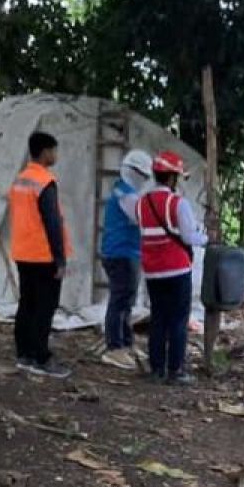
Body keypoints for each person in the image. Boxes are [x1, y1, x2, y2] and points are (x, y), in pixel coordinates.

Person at [135, 150, 208, 384]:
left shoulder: (141, 203)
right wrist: (205, 238)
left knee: (158, 319)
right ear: (171, 177)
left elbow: (143, 233)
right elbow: (188, 237)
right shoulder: (177, 203)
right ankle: (176, 370)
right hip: (177, 270)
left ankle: (156, 369)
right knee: (178, 321)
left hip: (152, 271)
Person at [8, 131, 72, 378]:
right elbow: (52, 222)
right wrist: (60, 258)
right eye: (54, 150)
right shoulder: (45, 181)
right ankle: (41, 356)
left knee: (27, 303)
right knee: (45, 306)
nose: (55, 155)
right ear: (45, 152)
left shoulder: (20, 180)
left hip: (22, 252)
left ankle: (23, 353)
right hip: (43, 255)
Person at [99, 150, 153, 371]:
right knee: (120, 301)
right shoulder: (126, 194)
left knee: (127, 302)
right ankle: (114, 348)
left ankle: (126, 342)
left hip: (127, 252)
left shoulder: (127, 191)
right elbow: (140, 217)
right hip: (120, 253)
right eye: (140, 173)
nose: (142, 178)